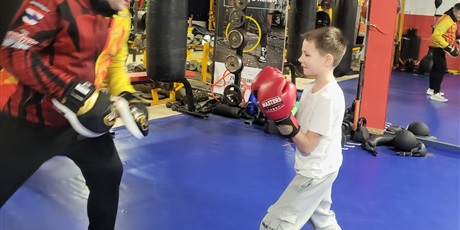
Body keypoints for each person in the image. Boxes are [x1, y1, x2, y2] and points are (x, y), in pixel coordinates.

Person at [0, 0, 149, 229]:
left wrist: (128, 95)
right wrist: (70, 90)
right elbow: (13, 51)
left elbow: (114, 62)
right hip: (29, 121)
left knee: (108, 172)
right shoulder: (54, 3)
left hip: (82, 121)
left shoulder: (120, 13)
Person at [252, 26, 347, 230]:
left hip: (315, 172)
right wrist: (278, 109)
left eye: (307, 54)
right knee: (323, 220)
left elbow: (307, 145)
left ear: (327, 60)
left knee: (273, 225)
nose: (300, 58)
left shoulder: (328, 98)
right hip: (322, 167)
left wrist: (284, 121)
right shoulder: (313, 88)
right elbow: (299, 124)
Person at [427, 3, 459, 102]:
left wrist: (457, 40)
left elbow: (449, 32)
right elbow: (436, 36)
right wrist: (448, 47)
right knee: (441, 68)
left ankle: (431, 89)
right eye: (459, 13)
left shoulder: (451, 18)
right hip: (438, 46)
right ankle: (436, 93)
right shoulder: (447, 20)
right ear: (454, 10)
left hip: (439, 47)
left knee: (436, 67)